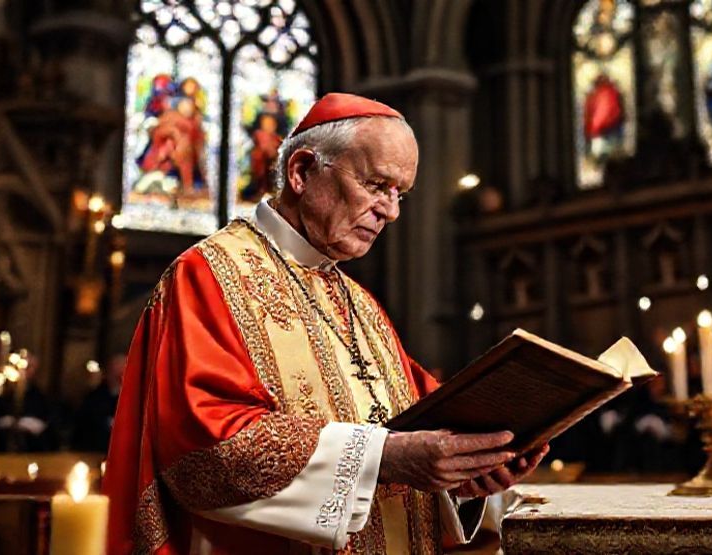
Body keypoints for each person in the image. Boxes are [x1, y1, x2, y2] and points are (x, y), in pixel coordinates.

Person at [105, 93, 548, 555]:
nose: (391, 211)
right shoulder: (209, 275)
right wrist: (385, 457)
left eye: (400, 193)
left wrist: (472, 472)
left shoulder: (360, 304)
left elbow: (425, 426)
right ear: (301, 172)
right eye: (377, 184)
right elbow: (204, 451)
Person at [70, 354, 126, 453]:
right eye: (116, 371)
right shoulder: (95, 397)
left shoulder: (134, 397)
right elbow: (85, 422)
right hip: (95, 448)